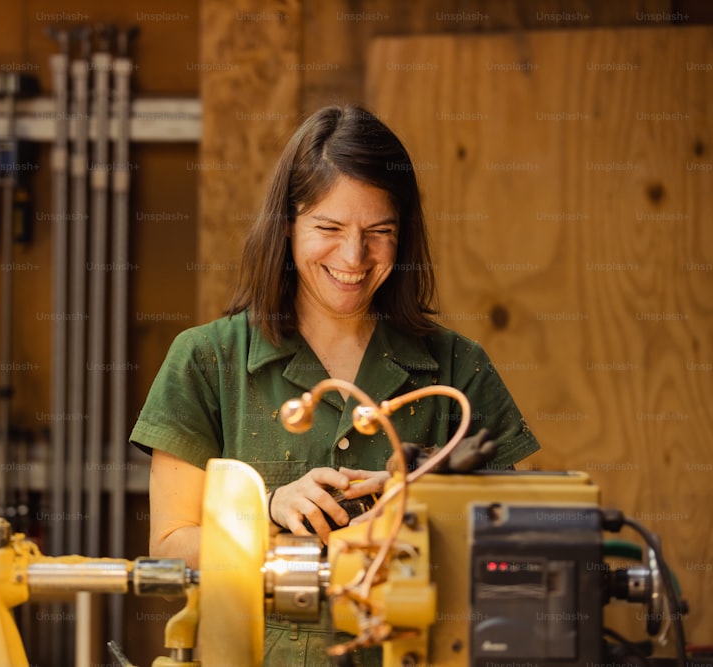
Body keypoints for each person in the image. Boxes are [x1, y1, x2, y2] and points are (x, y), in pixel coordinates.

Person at [130, 105, 540, 666]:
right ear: (288, 224)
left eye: (379, 233)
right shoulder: (206, 361)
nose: (353, 257)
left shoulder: (457, 368)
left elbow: (517, 552)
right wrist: (266, 512)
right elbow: (171, 551)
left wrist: (417, 510)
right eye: (328, 229)